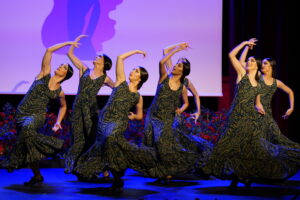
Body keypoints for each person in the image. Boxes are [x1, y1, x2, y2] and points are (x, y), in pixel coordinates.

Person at [74, 50, 155, 192]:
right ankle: (117, 178)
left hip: (119, 121)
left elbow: (140, 115)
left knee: (110, 138)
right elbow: (120, 58)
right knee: (107, 147)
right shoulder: (120, 82)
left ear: (140, 78)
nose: (132, 71)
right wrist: (136, 51)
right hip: (104, 119)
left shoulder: (138, 96)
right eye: (133, 69)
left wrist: (133, 116)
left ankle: (122, 167)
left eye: (136, 71)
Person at [0, 41, 76, 186]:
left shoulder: (59, 91)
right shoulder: (44, 74)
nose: (60, 66)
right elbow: (49, 51)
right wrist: (67, 42)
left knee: (28, 130)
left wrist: (58, 121)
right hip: (21, 113)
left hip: (37, 116)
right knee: (29, 144)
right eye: (61, 65)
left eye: (64, 67)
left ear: (66, 75)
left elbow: (63, 106)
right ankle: (37, 176)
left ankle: (16, 159)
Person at [201, 38, 263, 190]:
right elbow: (231, 55)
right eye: (248, 60)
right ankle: (235, 175)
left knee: (245, 147)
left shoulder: (259, 81)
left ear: (257, 65)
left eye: (252, 60)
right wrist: (245, 44)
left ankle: (243, 175)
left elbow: (258, 102)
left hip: (249, 117)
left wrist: (260, 110)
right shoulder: (242, 73)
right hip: (236, 115)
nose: (248, 62)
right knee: (231, 146)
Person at [142, 43, 200, 183]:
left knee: (162, 141)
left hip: (168, 117)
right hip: (153, 114)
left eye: (179, 65)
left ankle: (167, 172)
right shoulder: (164, 76)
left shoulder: (183, 85)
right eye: (176, 64)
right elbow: (163, 58)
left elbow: (190, 99)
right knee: (151, 142)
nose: (175, 65)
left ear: (184, 71)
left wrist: (194, 111)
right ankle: (158, 171)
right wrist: (179, 47)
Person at [64, 35, 114, 179]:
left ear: (104, 63)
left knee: (92, 139)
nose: (96, 57)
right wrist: (74, 42)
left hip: (91, 111)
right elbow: (69, 54)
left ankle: (101, 168)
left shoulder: (105, 78)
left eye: (99, 57)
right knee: (78, 139)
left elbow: (118, 89)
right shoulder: (84, 69)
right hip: (78, 108)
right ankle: (79, 168)